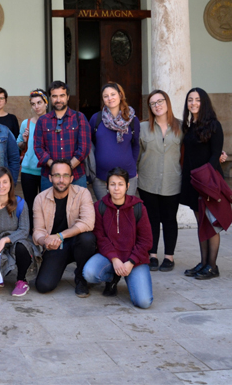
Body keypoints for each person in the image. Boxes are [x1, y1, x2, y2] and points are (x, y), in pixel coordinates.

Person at [83, 167, 153, 309]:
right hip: (110, 258)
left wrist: (131, 262)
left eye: (120, 184)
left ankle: (130, 277)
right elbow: (100, 238)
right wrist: (115, 260)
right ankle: (113, 277)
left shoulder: (138, 207)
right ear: (107, 186)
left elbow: (146, 240)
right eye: (112, 184)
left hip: (134, 260)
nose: (116, 188)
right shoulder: (100, 207)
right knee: (89, 273)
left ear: (127, 186)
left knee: (144, 302)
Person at [33, 159, 96, 297]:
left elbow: (88, 222)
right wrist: (45, 241)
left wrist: (60, 236)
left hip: (77, 243)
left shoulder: (83, 193)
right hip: (56, 247)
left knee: (87, 238)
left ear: (71, 178)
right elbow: (37, 231)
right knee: (43, 286)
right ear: (50, 178)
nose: (61, 180)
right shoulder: (40, 199)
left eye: (65, 175)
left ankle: (81, 278)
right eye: (57, 175)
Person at [181, 88, 225, 280]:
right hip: (193, 183)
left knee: (211, 224)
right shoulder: (190, 127)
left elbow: (216, 155)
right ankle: (203, 262)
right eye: (190, 100)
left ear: (204, 102)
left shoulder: (214, 125)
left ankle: (212, 266)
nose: (193, 103)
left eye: (197, 100)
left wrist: (204, 178)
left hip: (208, 182)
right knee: (201, 223)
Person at [137, 90, 183, 272]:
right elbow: (137, 153)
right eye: (153, 103)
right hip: (148, 181)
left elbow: (193, 150)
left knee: (170, 219)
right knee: (151, 220)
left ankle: (169, 256)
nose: (157, 105)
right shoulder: (142, 127)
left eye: (160, 101)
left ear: (167, 102)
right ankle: (152, 254)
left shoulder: (181, 127)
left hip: (172, 181)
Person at [0, 167, 41, 297]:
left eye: (5, 182)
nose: (1, 186)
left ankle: (22, 280)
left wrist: (5, 240)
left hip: (15, 241)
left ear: (11, 184)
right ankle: (0, 274)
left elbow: (24, 230)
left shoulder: (20, 203)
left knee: (22, 246)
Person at [33, 80, 92, 192]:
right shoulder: (42, 121)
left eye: (62, 96)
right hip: (49, 176)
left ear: (68, 97)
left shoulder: (79, 118)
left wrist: (67, 168)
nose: (58, 100)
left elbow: (84, 148)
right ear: (50, 98)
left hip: (76, 176)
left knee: (78, 208)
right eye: (54, 96)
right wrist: (55, 168)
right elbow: (38, 148)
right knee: (49, 209)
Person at [88, 82, 141, 200]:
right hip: (101, 177)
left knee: (125, 213)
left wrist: (133, 166)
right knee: (104, 213)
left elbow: (136, 145)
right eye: (106, 96)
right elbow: (90, 144)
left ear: (120, 95)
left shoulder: (132, 120)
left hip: (128, 176)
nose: (110, 98)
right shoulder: (96, 119)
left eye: (113, 94)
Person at [17, 89, 49, 228]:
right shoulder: (26, 123)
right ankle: (30, 233)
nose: (37, 106)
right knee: (30, 204)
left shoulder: (52, 122)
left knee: (45, 204)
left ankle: (44, 231)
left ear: (46, 103)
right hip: (28, 170)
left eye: (39, 103)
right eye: (33, 104)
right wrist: (24, 139)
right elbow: (19, 144)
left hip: (46, 170)